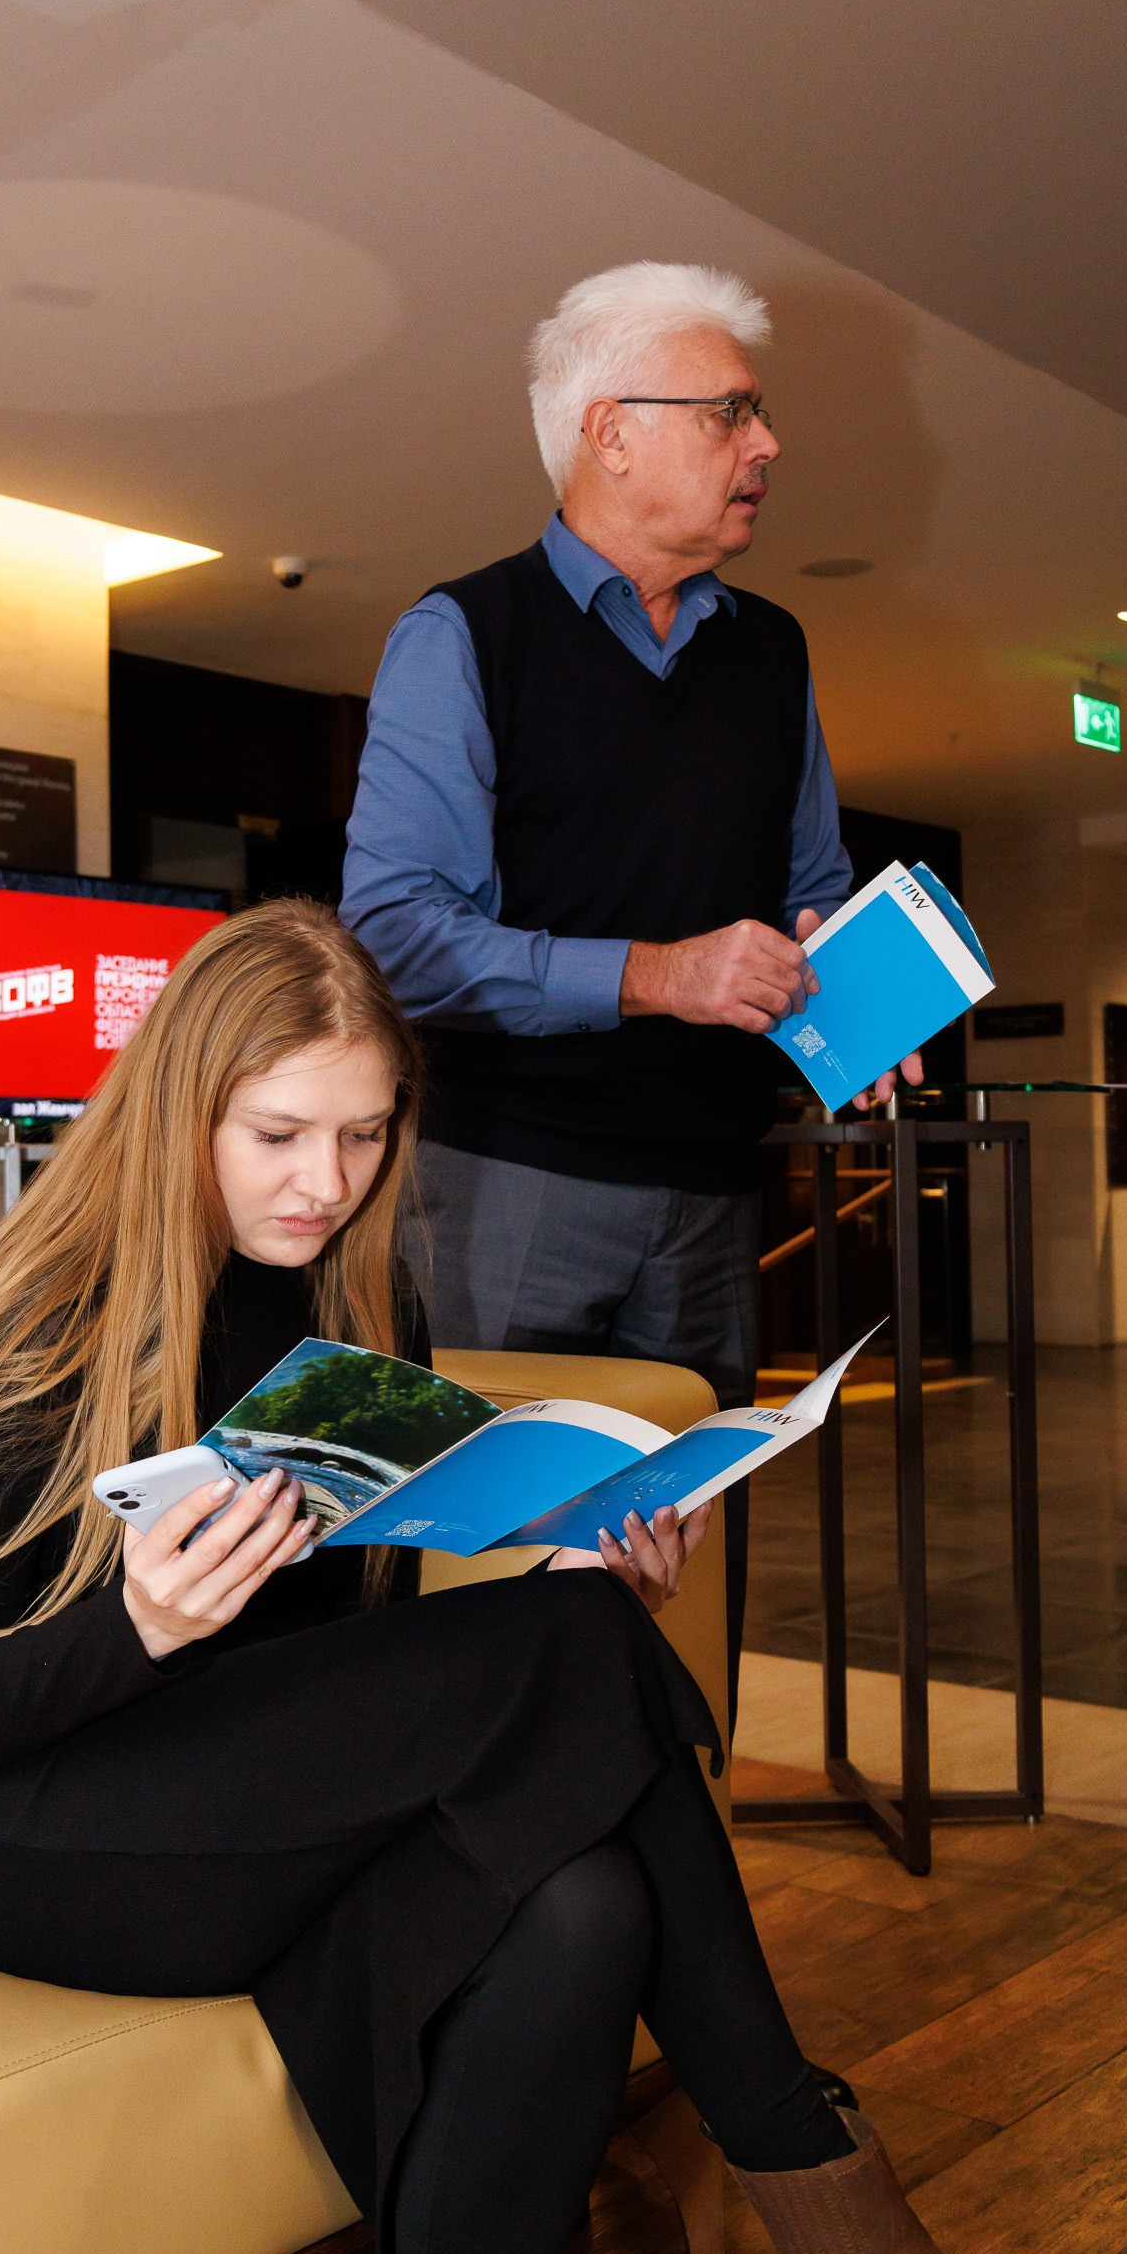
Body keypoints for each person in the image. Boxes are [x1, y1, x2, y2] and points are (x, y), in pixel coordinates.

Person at [0, 900, 975, 2254]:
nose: (324, 1182)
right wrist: (141, 1626)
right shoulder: (37, 1329)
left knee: (583, 1901)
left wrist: (567, 1582)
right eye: (278, 1134)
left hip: (249, 1779)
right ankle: (818, 2183)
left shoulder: (359, 1289)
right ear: (177, 1113)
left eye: (365, 1133)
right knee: (571, 1662)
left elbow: (345, 1643)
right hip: (20, 1825)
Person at [341, 262, 922, 1723]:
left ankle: (651, 1817)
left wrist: (860, 999)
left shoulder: (771, 649)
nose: (766, 444)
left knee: (674, 1568)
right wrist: (658, 975)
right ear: (609, 432)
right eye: (731, 412)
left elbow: (808, 886)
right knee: (488, 1565)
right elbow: (391, 935)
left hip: (714, 1194)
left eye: (758, 415)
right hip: (509, 1187)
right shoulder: (462, 636)